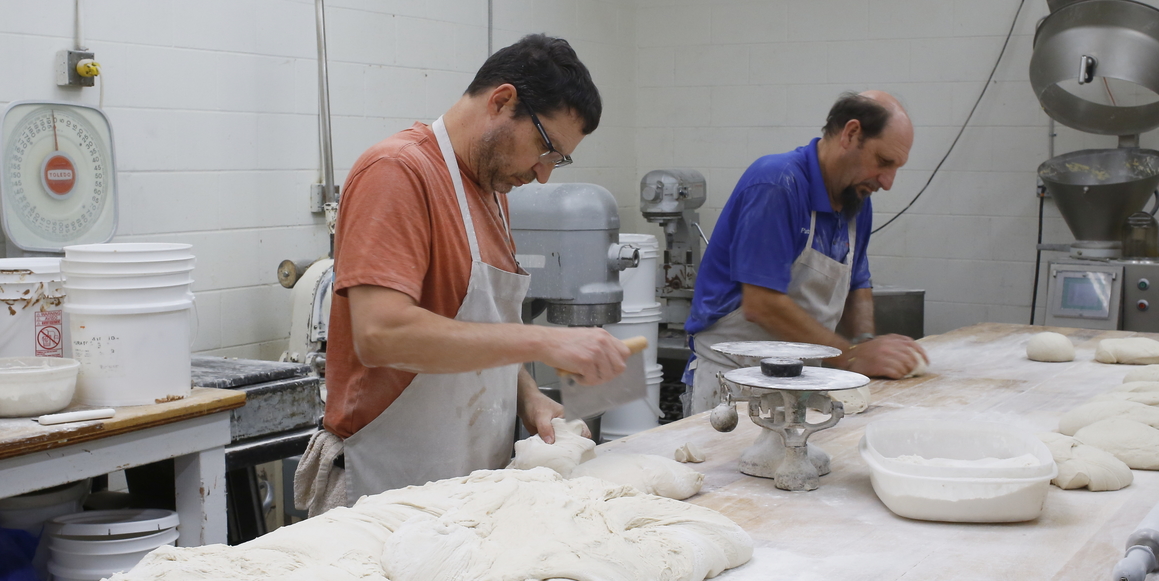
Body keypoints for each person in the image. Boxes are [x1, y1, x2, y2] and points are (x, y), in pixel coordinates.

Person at [295, 34, 632, 511]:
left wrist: (528, 396)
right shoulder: (398, 172)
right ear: (502, 101)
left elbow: (484, 330)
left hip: (469, 489)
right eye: (545, 148)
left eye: (558, 159)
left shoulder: (494, 195)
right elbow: (381, 334)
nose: (542, 175)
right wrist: (544, 342)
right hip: (386, 489)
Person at [684, 90, 929, 413]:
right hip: (736, 382)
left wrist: (866, 341)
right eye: (883, 162)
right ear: (851, 134)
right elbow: (761, 304)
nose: (888, 182)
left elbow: (858, 283)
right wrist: (851, 355)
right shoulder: (777, 184)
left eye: (896, 168)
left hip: (805, 377)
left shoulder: (856, 201)